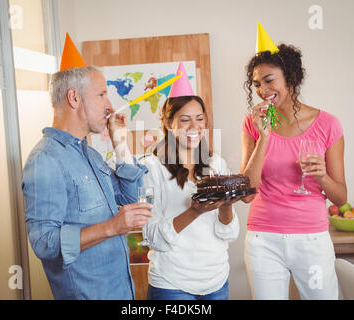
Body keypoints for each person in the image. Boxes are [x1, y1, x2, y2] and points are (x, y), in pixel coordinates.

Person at [21, 33, 152, 300]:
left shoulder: (89, 154)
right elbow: (44, 242)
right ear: (74, 98)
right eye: (102, 94)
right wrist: (112, 227)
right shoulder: (45, 160)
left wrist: (120, 145)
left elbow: (130, 197)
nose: (109, 106)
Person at [240, 23, 347, 300]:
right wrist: (264, 136)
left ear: (291, 77)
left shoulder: (328, 124)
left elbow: (341, 198)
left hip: (311, 238)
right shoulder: (253, 124)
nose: (262, 90)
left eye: (269, 80)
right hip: (263, 238)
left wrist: (322, 176)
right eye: (257, 84)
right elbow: (247, 195)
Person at [140, 62, 240, 300]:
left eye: (200, 119)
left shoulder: (217, 163)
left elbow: (228, 234)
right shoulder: (149, 168)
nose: (195, 127)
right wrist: (194, 212)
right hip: (172, 283)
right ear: (168, 123)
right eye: (185, 120)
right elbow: (149, 237)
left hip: (216, 280)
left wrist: (227, 204)